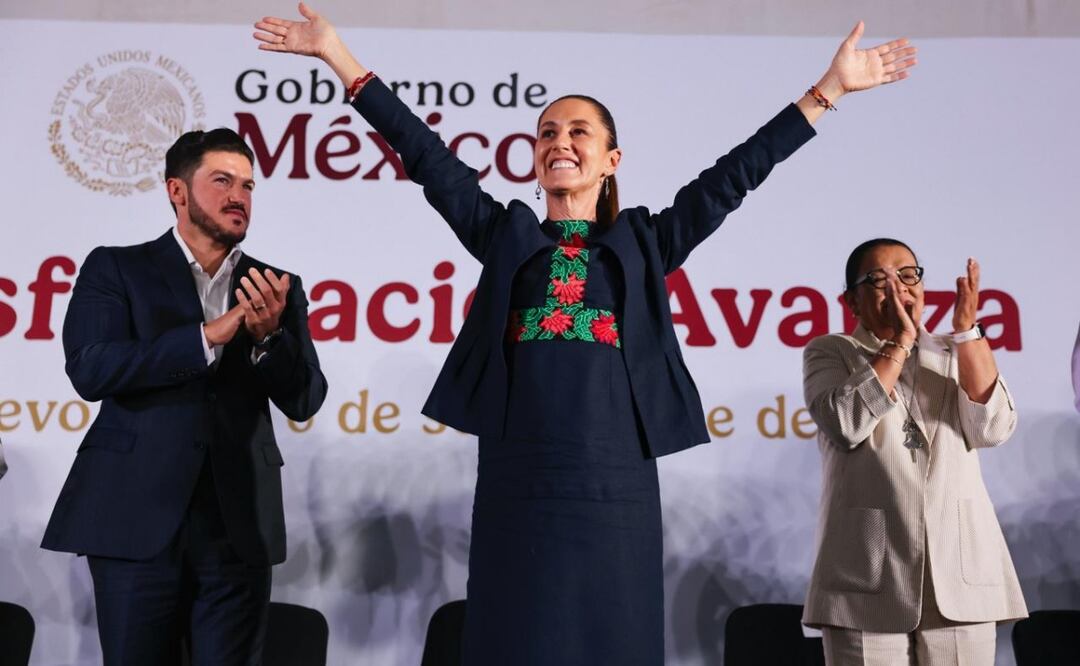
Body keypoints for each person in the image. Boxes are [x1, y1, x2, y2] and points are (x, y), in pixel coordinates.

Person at [254, 5, 915, 663]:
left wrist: (828, 92)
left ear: (611, 159)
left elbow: (735, 176)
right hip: (518, 482)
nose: (558, 142)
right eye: (546, 133)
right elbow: (425, 156)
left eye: (577, 132)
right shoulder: (505, 235)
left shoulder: (646, 243)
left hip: (616, 486)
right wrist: (337, 55)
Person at [41, 128, 328, 665]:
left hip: (236, 528)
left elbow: (307, 397)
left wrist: (268, 339)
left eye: (247, 185)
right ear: (177, 190)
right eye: (222, 181)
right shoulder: (117, 267)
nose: (238, 196)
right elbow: (91, 369)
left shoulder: (275, 286)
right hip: (134, 518)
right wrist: (207, 336)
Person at [801, 239, 1027, 665]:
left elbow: (993, 428)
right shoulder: (832, 351)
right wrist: (901, 342)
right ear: (851, 299)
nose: (898, 287)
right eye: (878, 280)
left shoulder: (954, 350)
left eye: (907, 275)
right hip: (865, 575)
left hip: (960, 572)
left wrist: (966, 331)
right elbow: (846, 422)